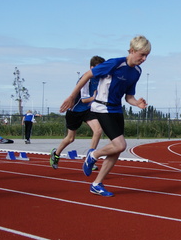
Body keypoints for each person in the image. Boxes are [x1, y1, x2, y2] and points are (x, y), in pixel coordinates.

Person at [59, 35, 151, 197]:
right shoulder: (114, 64)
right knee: (120, 145)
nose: (144, 59)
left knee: (116, 150)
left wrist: (137, 103)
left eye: (146, 56)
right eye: (141, 55)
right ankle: (92, 155)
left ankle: (97, 184)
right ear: (131, 50)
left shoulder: (137, 72)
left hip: (116, 110)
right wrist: (72, 96)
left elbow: (128, 96)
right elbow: (87, 75)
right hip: (101, 108)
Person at [50, 56, 105, 169]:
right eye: (98, 68)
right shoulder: (85, 78)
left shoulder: (100, 78)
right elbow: (84, 99)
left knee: (98, 130)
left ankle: (90, 159)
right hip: (75, 110)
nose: (101, 71)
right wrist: (95, 98)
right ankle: (56, 154)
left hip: (88, 110)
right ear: (91, 67)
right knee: (70, 138)